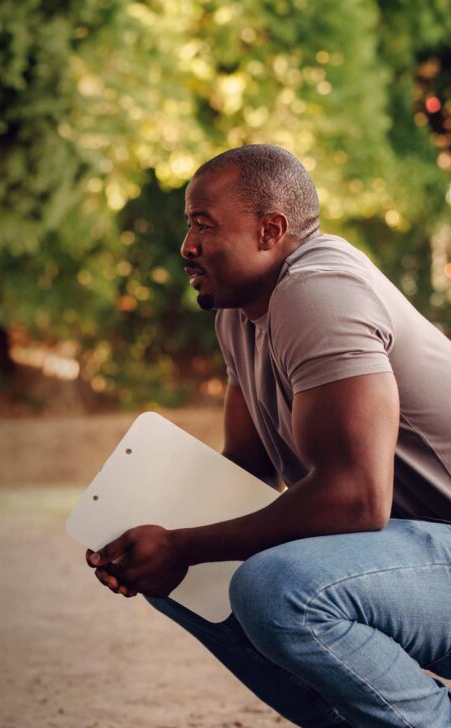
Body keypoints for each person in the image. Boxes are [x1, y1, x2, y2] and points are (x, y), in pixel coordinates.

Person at [83, 144, 451, 726]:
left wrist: (181, 544)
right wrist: (144, 540)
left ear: (270, 231)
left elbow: (355, 498)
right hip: (415, 557)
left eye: (204, 224)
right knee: (191, 575)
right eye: (188, 225)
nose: (187, 246)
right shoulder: (239, 312)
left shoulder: (319, 288)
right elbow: (245, 473)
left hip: (436, 550)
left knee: (278, 585)